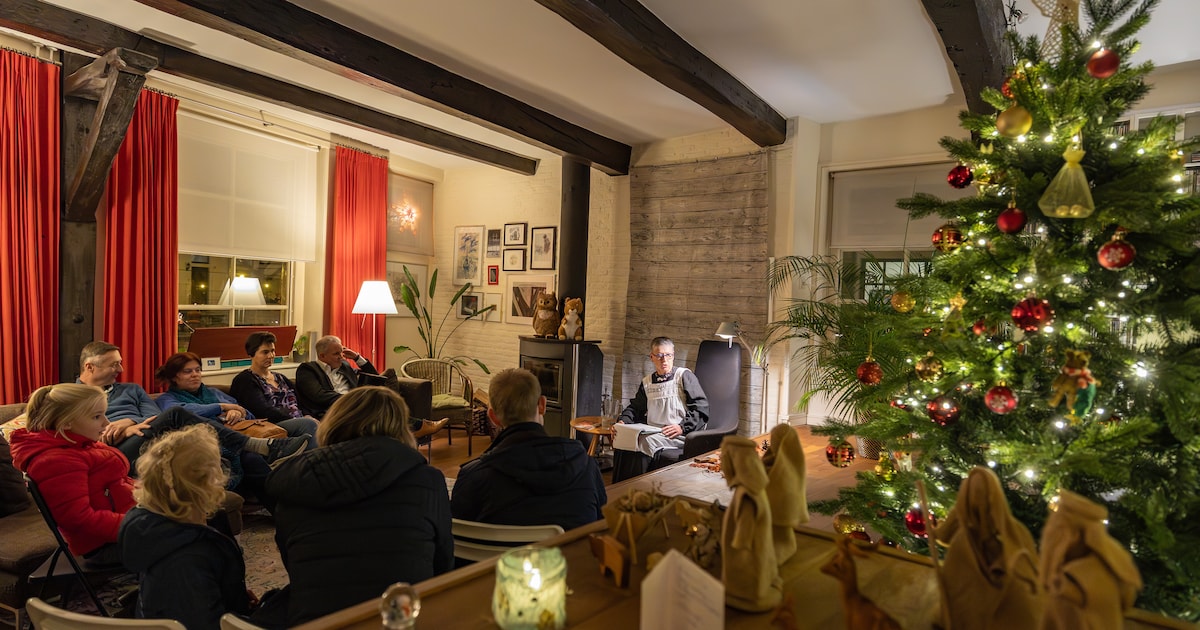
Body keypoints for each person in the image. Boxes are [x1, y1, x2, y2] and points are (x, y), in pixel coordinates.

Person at [265, 386, 453, 626]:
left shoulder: (294, 484)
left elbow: (294, 563)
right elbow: (443, 563)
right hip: (401, 620)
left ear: (335, 422)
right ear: (400, 427)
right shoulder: (427, 480)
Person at [77, 341, 308, 471]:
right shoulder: (71, 396)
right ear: (90, 367)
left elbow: (153, 415)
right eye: (114, 365)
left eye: (120, 363)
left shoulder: (132, 389)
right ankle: (260, 446)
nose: (121, 370)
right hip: (113, 447)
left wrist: (130, 422)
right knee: (177, 413)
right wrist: (118, 430)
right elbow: (79, 430)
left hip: (146, 433)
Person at [119, 424, 251, 629]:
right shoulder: (187, 556)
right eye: (219, 466)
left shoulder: (157, 530)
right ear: (206, 483)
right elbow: (199, 620)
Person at [451, 368, 605, 532]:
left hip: (501, 558)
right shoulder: (586, 466)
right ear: (542, 405)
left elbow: (456, 540)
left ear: (493, 417)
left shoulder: (473, 478)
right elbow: (600, 528)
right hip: (572, 556)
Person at [8, 383, 134, 565]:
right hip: (108, 544)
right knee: (186, 542)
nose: (106, 423)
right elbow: (79, 519)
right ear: (66, 422)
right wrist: (139, 524)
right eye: (97, 416)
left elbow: (115, 485)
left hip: (126, 527)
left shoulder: (80, 444)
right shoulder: (56, 461)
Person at [155, 351, 317, 449]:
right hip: (211, 440)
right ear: (174, 377)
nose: (195, 374)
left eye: (198, 370)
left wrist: (236, 411)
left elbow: (249, 415)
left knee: (307, 423)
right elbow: (182, 413)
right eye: (187, 371)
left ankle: (309, 468)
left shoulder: (213, 392)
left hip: (247, 429)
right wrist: (222, 407)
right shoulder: (167, 399)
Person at [294, 335, 447, 437]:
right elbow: (319, 395)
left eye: (342, 352)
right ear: (322, 356)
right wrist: (352, 399)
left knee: (382, 403)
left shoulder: (345, 366)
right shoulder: (308, 369)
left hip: (356, 406)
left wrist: (357, 357)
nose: (341, 356)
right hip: (332, 411)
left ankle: (411, 429)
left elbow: (375, 377)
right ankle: (416, 427)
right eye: (336, 354)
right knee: (376, 408)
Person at [612, 336, 709, 482]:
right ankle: (618, 491)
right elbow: (635, 407)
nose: (664, 360)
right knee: (623, 441)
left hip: (678, 434)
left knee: (644, 443)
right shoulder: (647, 382)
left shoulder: (683, 376)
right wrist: (622, 422)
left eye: (668, 355)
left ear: (673, 355)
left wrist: (682, 427)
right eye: (659, 355)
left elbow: (701, 408)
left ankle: (638, 490)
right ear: (652, 357)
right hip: (653, 431)